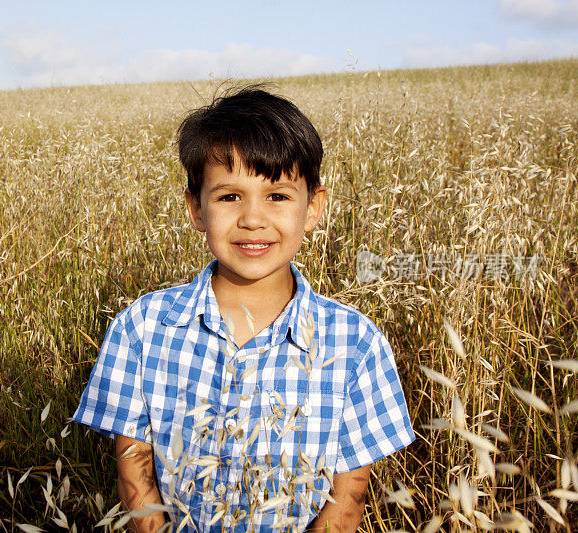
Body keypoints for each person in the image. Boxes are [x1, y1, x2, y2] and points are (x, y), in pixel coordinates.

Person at [72, 86, 415, 532]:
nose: (253, 218)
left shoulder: (355, 343)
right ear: (196, 208)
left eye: (277, 196)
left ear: (314, 207)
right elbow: (136, 478)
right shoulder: (143, 328)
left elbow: (347, 498)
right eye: (229, 197)